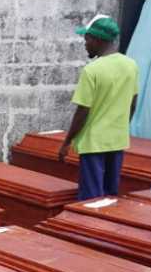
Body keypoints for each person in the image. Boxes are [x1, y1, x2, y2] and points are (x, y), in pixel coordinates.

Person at [57, 14, 139, 200]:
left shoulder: (92, 70)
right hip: (117, 140)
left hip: (93, 143)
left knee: (91, 198)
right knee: (111, 196)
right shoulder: (131, 65)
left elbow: (83, 111)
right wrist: (121, 127)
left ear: (97, 40)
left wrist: (67, 141)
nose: (85, 44)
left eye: (87, 40)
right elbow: (133, 103)